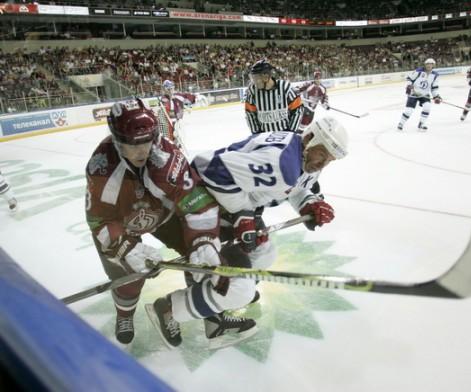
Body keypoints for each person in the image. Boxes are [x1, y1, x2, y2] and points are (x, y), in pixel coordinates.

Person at [85, 98, 256, 349]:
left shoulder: (167, 156)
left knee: (204, 259)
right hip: (120, 224)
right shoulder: (101, 169)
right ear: (116, 140)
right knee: (128, 279)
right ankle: (125, 316)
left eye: (146, 141)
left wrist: (203, 240)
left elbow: (195, 202)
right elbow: (99, 219)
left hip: (164, 216)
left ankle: (212, 317)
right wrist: (125, 247)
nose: (142, 151)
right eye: (132, 145)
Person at [190, 117, 348, 301]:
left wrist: (308, 203)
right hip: (200, 193)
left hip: (232, 199)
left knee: (264, 253)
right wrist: (242, 214)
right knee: (207, 258)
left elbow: (295, 188)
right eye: (322, 154)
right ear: (309, 137)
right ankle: (200, 303)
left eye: (329, 160)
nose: (322, 165)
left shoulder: (304, 156)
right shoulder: (282, 163)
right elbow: (215, 172)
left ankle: (224, 297)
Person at [244, 59, 303, 134]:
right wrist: (257, 133)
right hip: (264, 135)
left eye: (257, 77)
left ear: (266, 75)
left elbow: (297, 109)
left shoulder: (285, 87)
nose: (255, 81)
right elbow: (250, 114)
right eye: (254, 78)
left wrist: (290, 132)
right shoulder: (252, 91)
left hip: (285, 133)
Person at [159, 79, 208, 149]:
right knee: (170, 142)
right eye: (168, 89)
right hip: (169, 124)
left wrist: (196, 97)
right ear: (164, 90)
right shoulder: (163, 99)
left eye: (171, 88)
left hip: (178, 124)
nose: (170, 90)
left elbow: (186, 96)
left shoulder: (177, 96)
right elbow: (169, 108)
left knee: (179, 143)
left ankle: (178, 150)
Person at [397, 58, 442, 132]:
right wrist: (409, 86)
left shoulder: (435, 75)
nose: (429, 65)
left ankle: (421, 124)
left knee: (427, 107)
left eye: (431, 64)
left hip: (424, 94)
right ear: (425, 64)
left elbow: (434, 88)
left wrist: (436, 96)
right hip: (414, 93)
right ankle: (401, 123)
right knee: (409, 111)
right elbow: (409, 79)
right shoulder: (419, 71)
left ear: (433, 65)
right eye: (427, 64)